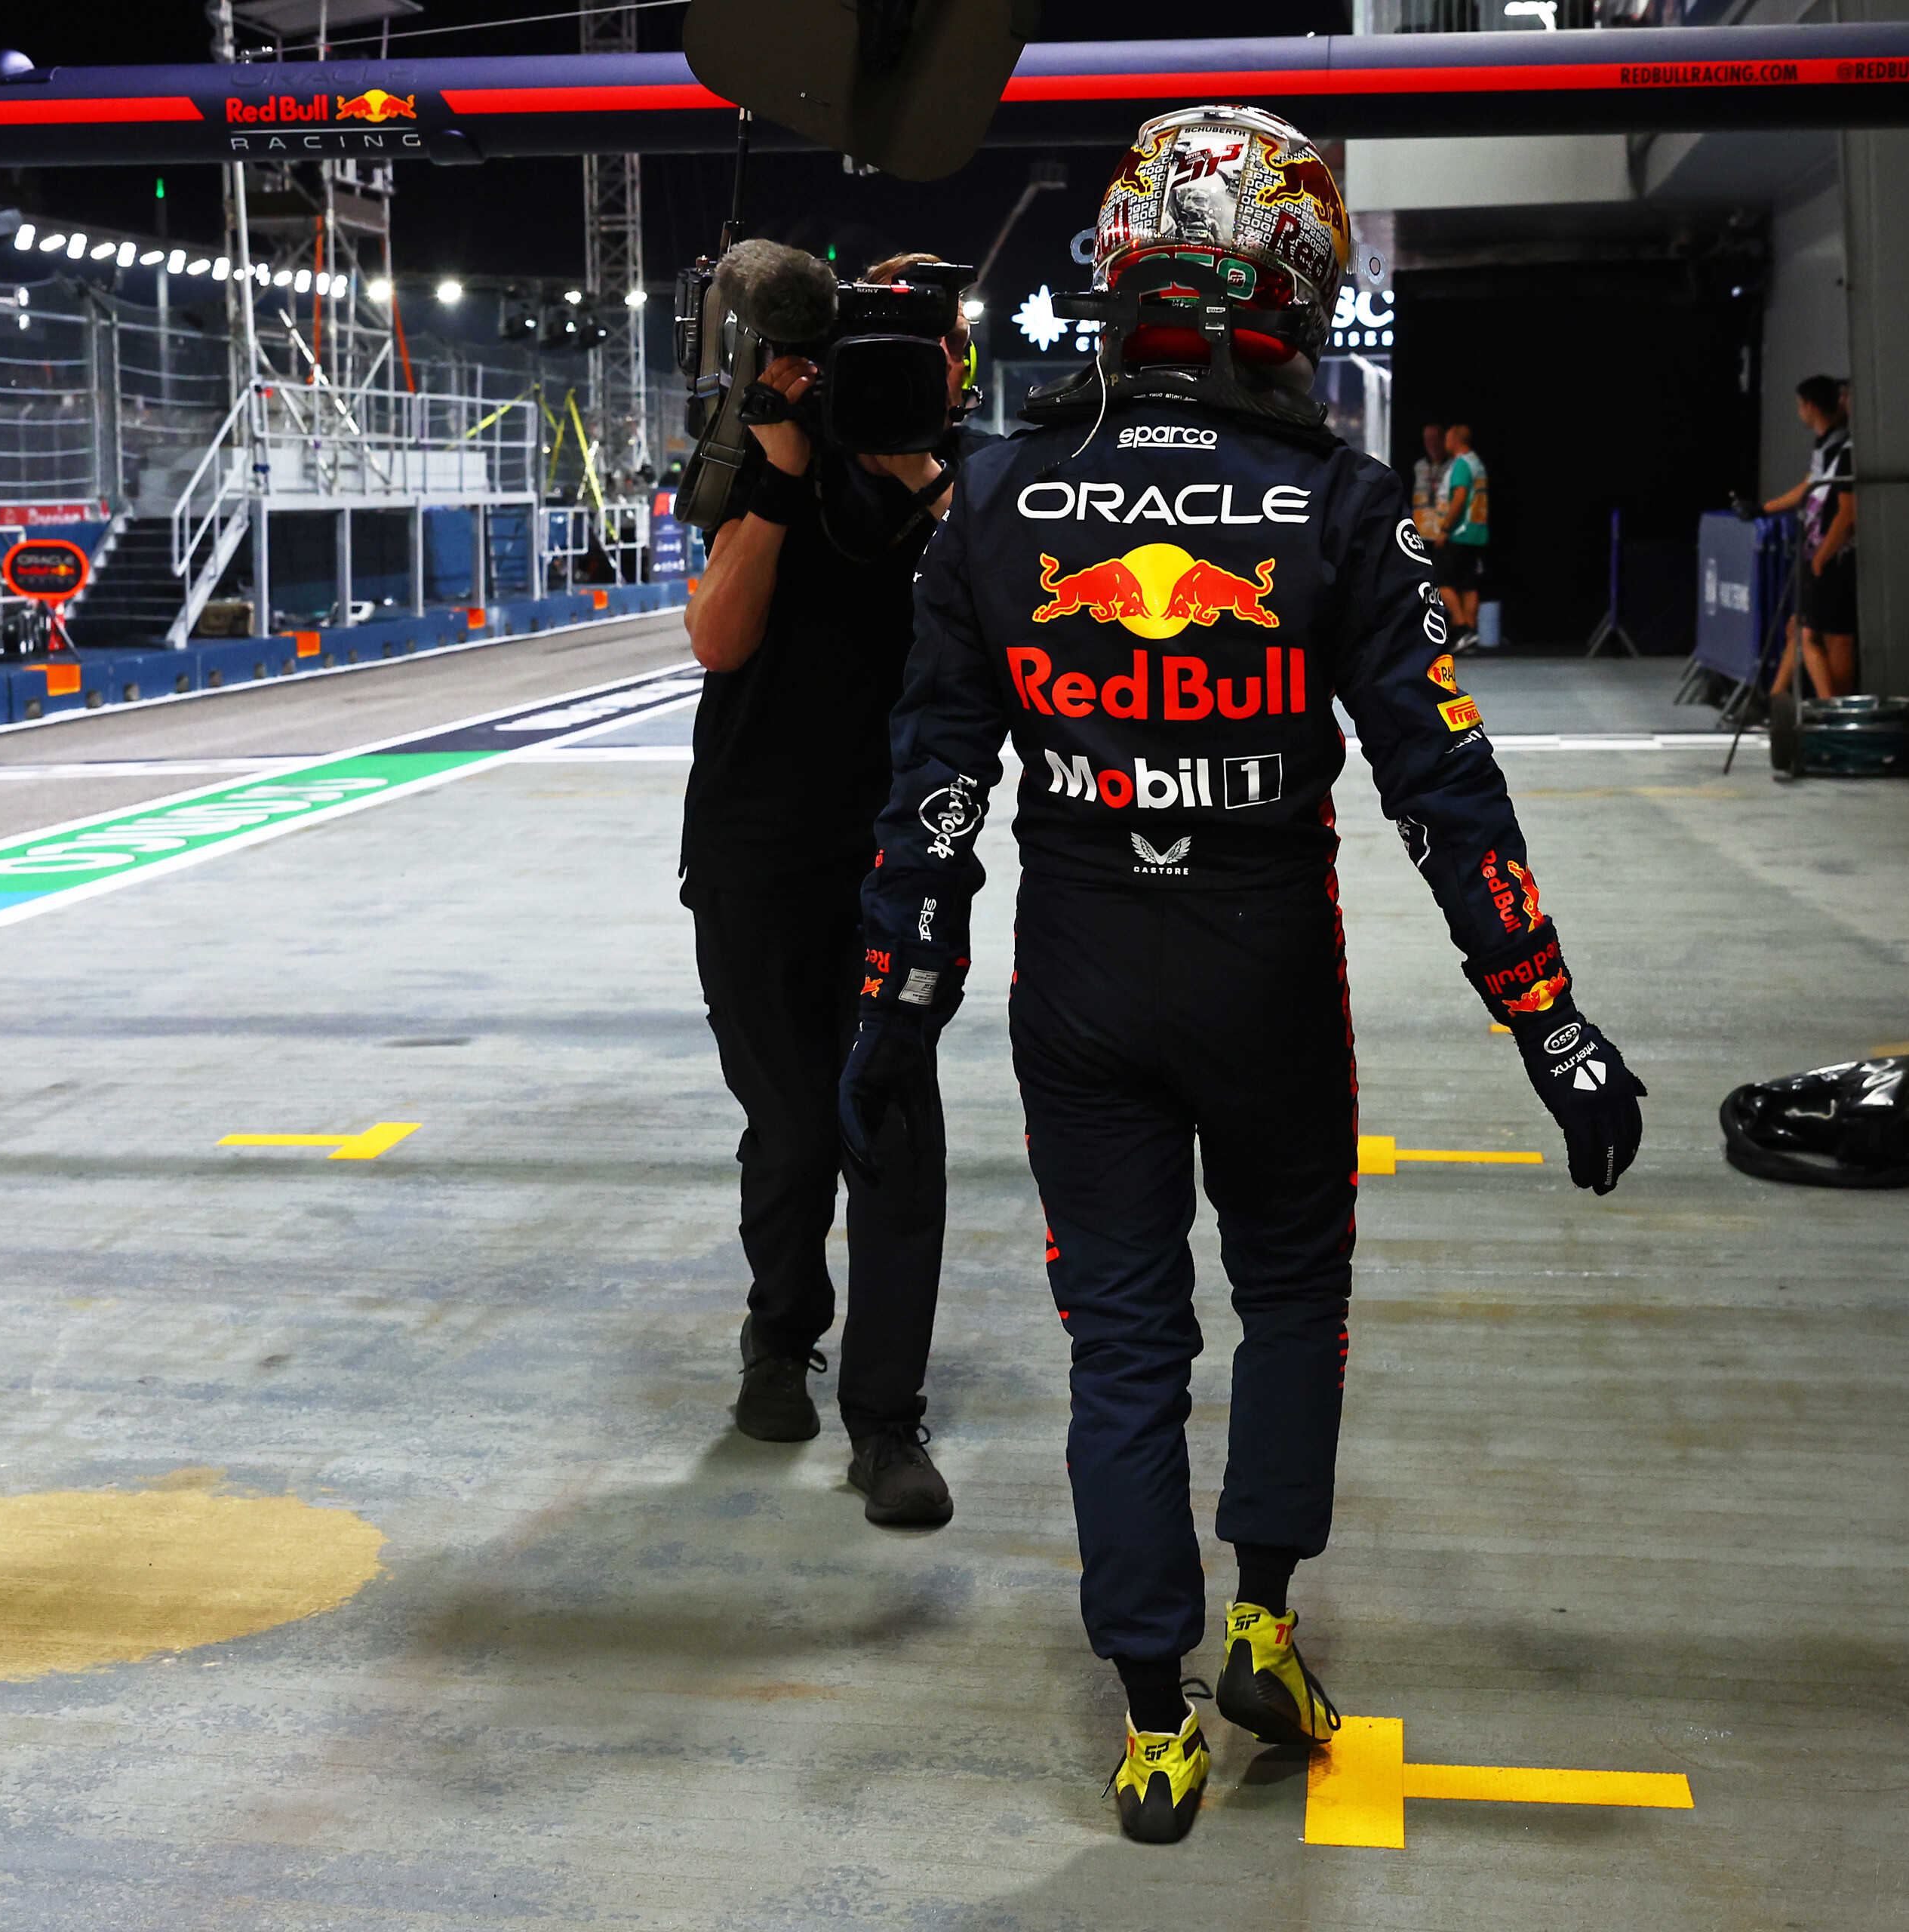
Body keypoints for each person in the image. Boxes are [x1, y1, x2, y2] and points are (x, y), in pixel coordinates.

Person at [834, 104, 1646, 1844]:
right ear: (1283, 289)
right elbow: (1443, 784)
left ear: (1121, 275)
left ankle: (1150, 1724)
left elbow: (932, 782)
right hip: (1266, 964)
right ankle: (1264, 1627)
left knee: (1120, 1348)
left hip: (1077, 971)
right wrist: (1549, 1020)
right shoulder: (1345, 506)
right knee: (1288, 1304)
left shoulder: (991, 494)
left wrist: (893, 1000)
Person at [681, 248, 977, 1529]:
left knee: (893, 1130)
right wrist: (786, 465)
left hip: (900, 854)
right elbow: (719, 638)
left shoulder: (971, 481)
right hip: (753, 848)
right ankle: (776, 1341)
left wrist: (917, 470)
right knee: (795, 1126)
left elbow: (1021, 618)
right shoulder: (767, 457)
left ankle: (887, 1420)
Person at [1763, 374, 1856, 699]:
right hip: (1818, 553)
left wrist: (1821, 557)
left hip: (1831, 557)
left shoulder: (1847, 450)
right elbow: (1811, 484)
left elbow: (1847, 514)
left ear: (1811, 406)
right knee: (1799, 631)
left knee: (1820, 638)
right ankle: (1778, 700)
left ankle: (1832, 710)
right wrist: (1766, 509)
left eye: (1848, 397)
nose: (1844, 403)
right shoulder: (1827, 448)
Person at [1435, 421, 1490, 638]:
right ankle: (1471, 632)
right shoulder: (1477, 463)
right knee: (1469, 585)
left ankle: (1461, 626)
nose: (1445, 443)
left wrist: (1445, 529)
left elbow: (1459, 498)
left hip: (1459, 533)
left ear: (1457, 440)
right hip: (1476, 534)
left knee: (1440, 580)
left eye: (1448, 438)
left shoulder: (1461, 465)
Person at [1409, 422, 1447, 544]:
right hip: (1420, 535)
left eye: (1435, 439)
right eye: (1428, 439)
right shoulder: (1419, 466)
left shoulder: (1454, 466)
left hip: (1443, 536)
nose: (1432, 443)